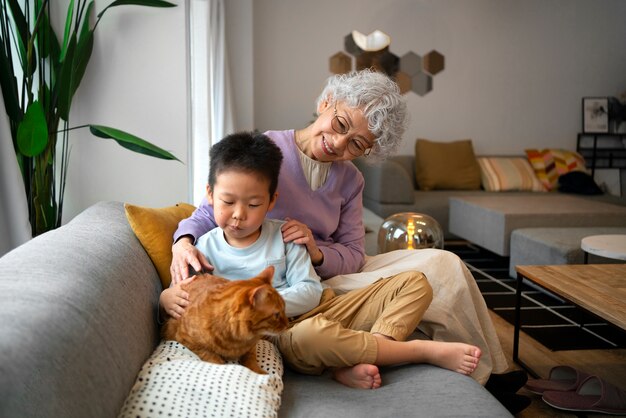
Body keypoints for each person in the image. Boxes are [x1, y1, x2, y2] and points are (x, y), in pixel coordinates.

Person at [170, 70, 511, 387]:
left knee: (445, 263)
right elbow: (211, 211)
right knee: (432, 274)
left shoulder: (351, 179)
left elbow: (353, 254)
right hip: (291, 283)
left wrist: (316, 252)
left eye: (356, 144)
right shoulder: (265, 152)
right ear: (326, 102)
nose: (338, 142)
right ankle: (479, 373)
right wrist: (182, 242)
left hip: (326, 272)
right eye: (340, 124)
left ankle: (491, 370)